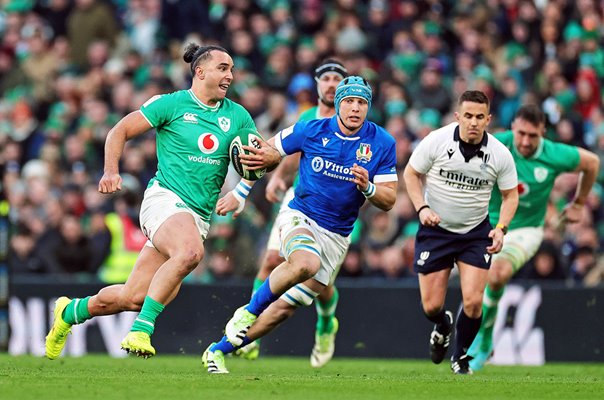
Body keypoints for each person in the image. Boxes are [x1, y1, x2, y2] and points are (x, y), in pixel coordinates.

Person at [44, 43, 281, 360]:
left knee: (133, 296)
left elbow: (260, 158)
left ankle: (69, 311)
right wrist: (110, 172)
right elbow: (120, 130)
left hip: (197, 215)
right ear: (200, 71)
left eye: (232, 69)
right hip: (164, 200)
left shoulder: (237, 116)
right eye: (223, 68)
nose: (230, 75)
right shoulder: (172, 104)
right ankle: (142, 329)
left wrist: (247, 186)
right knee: (190, 252)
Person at [202, 76, 398, 374]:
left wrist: (369, 187)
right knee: (303, 262)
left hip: (337, 234)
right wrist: (241, 192)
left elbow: (389, 199)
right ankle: (247, 312)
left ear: (368, 106)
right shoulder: (311, 128)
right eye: (349, 101)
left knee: (283, 310)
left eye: (361, 102)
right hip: (300, 214)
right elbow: (267, 153)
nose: (355, 108)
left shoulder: (382, 142)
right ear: (337, 103)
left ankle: (218, 350)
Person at [231, 58, 349, 367]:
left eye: (337, 78)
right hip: (299, 200)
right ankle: (249, 332)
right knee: (271, 261)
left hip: (334, 209)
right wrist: (281, 177)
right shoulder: (307, 115)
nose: (331, 83)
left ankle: (326, 323)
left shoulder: (352, 119)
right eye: (326, 78)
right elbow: (290, 149)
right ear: (318, 84)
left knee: (319, 282)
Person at [468, 104, 600, 371]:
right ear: (512, 129)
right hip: (487, 224)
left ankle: (483, 339)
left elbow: (592, 163)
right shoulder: (496, 144)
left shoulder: (553, 154)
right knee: (474, 289)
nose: (526, 142)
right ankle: (479, 335)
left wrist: (578, 203)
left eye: (533, 136)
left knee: (498, 273)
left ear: (543, 132)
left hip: (527, 229)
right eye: (521, 134)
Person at [403, 90, 519, 375]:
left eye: (480, 117)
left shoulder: (499, 154)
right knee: (431, 307)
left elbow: (510, 196)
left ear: (488, 120)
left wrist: (501, 228)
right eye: (468, 116)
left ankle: (461, 356)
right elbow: (411, 174)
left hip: (475, 233)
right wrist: (422, 208)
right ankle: (443, 325)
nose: (473, 122)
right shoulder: (437, 141)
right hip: (436, 231)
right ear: (458, 116)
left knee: (474, 300)